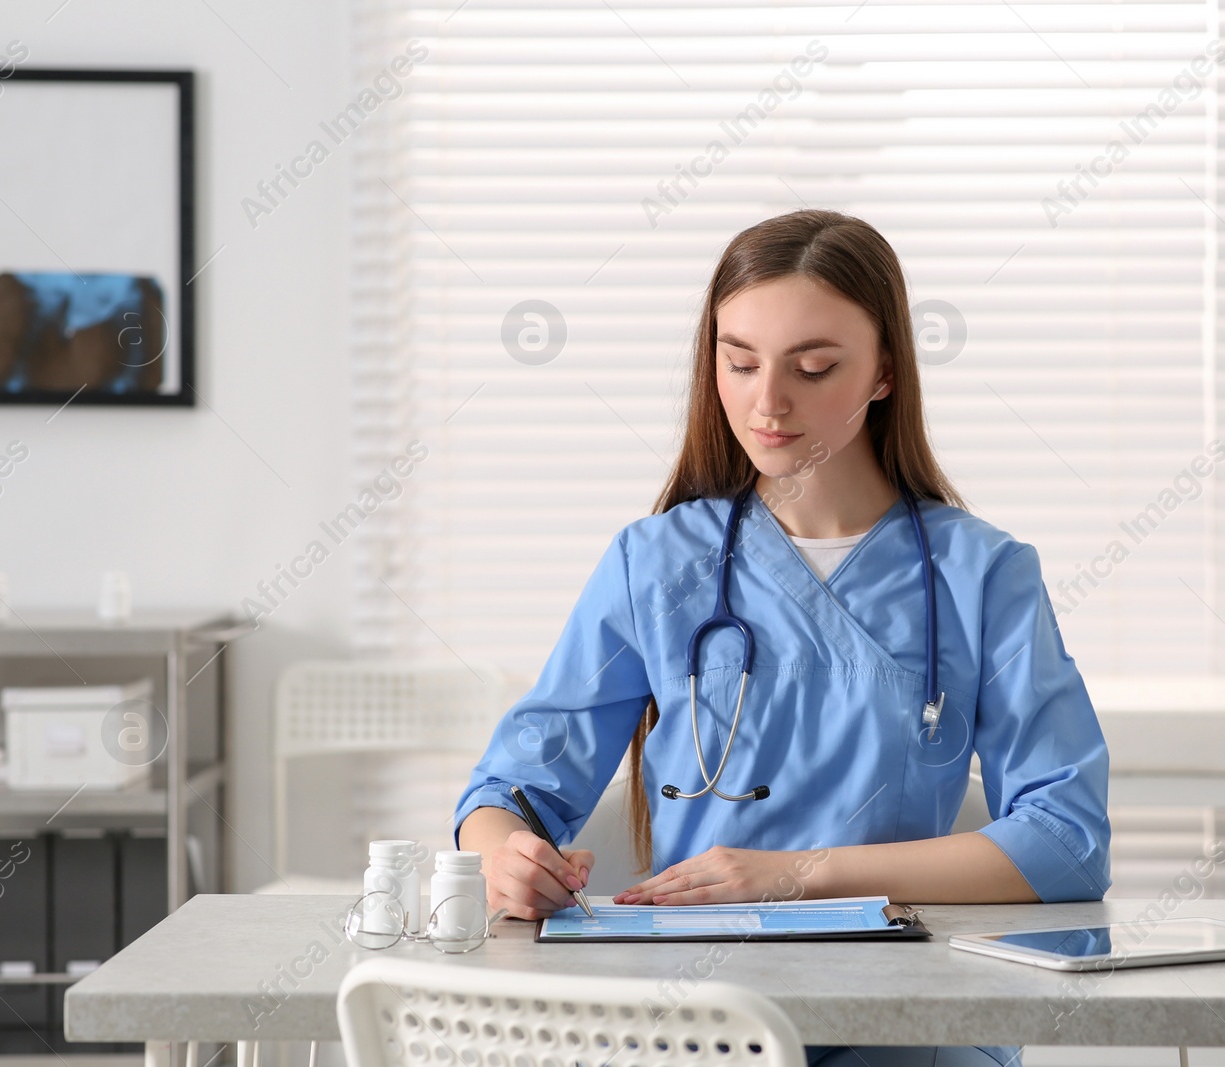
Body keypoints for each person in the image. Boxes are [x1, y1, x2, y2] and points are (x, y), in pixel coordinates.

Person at [453, 208, 1111, 1067]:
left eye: (813, 367)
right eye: (740, 362)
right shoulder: (654, 563)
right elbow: (507, 792)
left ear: (883, 372)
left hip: (907, 1021)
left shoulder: (983, 573)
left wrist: (795, 875)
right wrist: (508, 858)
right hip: (697, 1022)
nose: (767, 402)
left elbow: (1068, 840)